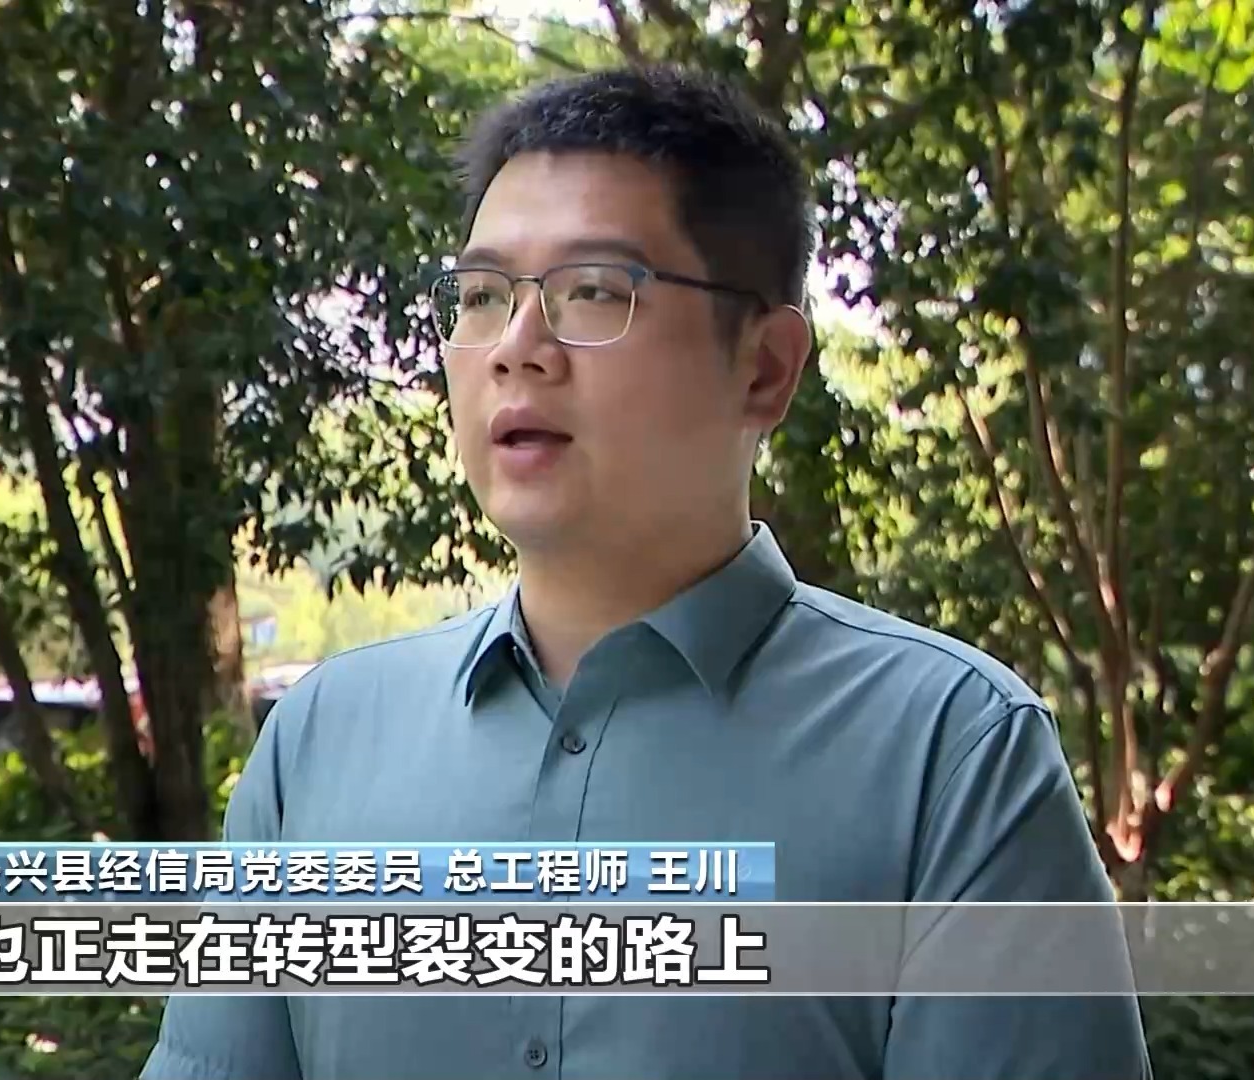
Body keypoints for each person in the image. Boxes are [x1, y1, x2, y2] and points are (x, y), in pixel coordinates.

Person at [142, 65, 1152, 1080]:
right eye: (482, 297)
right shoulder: (319, 742)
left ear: (764, 368)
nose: (516, 349)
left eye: (593, 291)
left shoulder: (950, 752)